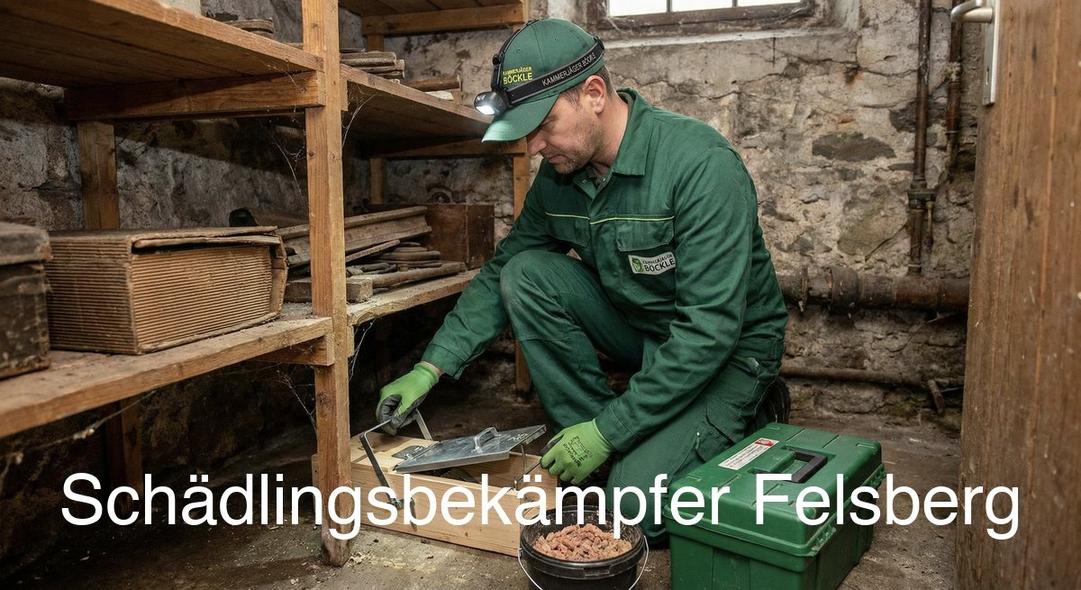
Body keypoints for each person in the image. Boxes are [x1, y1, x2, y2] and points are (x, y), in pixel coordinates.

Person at [375, 18, 788, 543]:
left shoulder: (701, 165)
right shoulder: (561, 178)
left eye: (544, 125)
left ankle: (750, 408)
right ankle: (597, 446)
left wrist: (609, 431)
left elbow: (709, 331)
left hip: (727, 348)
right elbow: (504, 270)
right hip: (645, 331)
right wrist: (430, 368)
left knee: (634, 511)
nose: (535, 147)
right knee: (526, 274)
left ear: (593, 94)